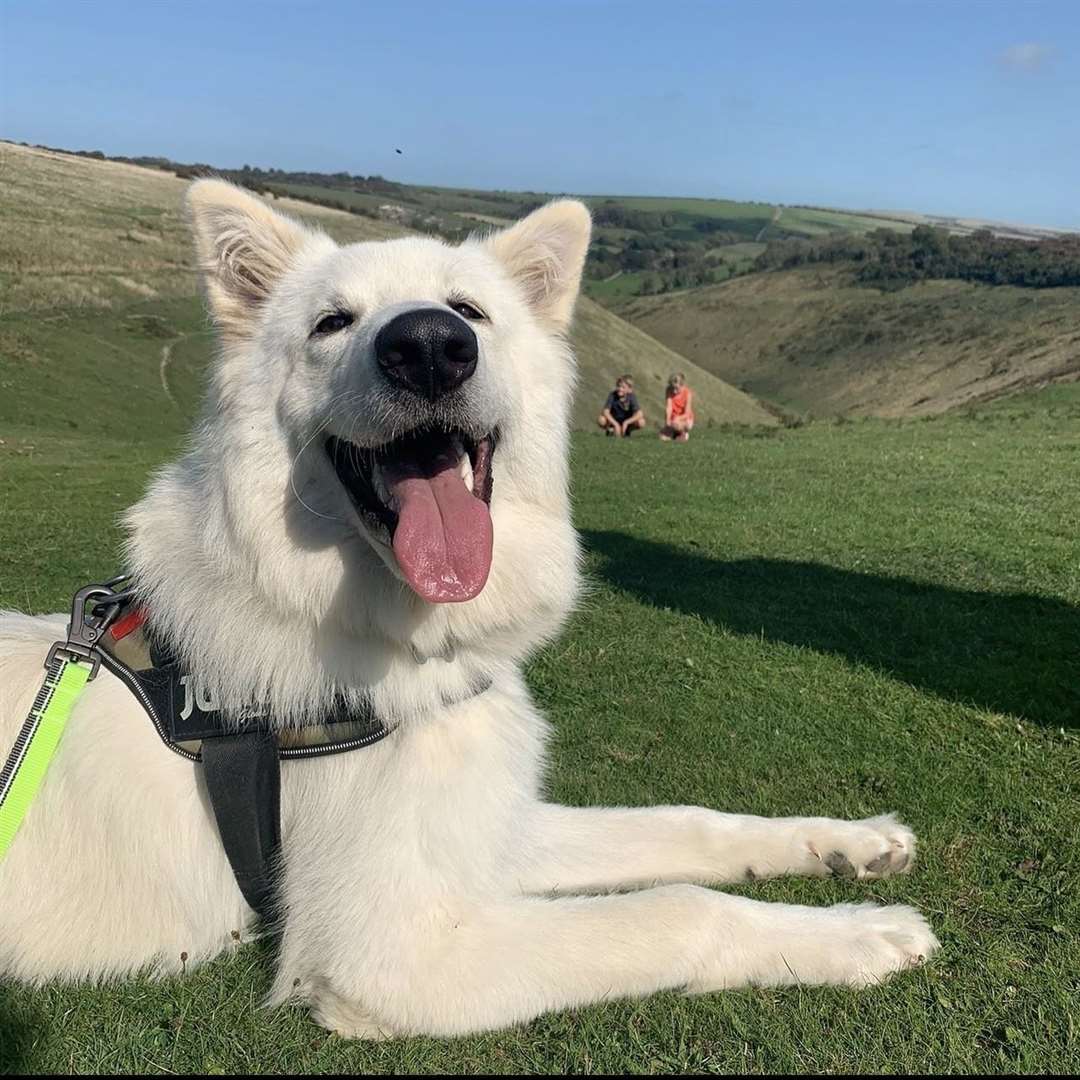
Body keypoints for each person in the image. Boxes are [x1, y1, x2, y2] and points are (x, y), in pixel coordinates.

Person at [660, 372, 694, 442]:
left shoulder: (688, 393)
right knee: (662, 437)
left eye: (676, 388)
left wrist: (678, 418)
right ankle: (674, 434)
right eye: (672, 387)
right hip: (673, 419)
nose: (674, 391)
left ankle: (683, 433)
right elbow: (669, 407)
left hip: (685, 419)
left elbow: (687, 413)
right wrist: (667, 420)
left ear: (682, 385)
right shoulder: (668, 390)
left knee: (676, 425)